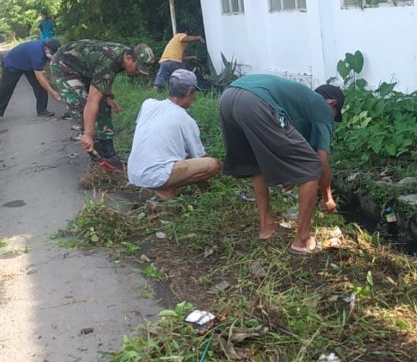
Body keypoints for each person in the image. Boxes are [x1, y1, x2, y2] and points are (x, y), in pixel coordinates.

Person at [218, 74, 344, 254]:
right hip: (256, 101)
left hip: (228, 97)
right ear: (331, 103)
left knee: (256, 161)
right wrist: (327, 198)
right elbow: (320, 162)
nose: (331, 120)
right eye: (335, 115)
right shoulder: (322, 108)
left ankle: (266, 227)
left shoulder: (297, 102)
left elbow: (284, 148)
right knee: (311, 165)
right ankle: (302, 239)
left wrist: (291, 171)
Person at [49, 39, 155, 168]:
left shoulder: (123, 56)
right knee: (82, 106)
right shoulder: (110, 60)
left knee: (104, 105)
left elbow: (107, 77)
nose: (138, 72)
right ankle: (96, 155)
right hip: (64, 65)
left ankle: (109, 154)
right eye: (138, 68)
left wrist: (108, 96)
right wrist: (88, 133)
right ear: (129, 58)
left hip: (86, 67)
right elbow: (92, 100)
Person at [127, 69, 222, 200]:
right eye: (194, 94)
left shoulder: (148, 104)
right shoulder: (186, 120)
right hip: (155, 177)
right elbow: (200, 156)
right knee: (213, 165)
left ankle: (159, 186)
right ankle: (166, 189)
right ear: (189, 92)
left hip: (133, 174)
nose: (194, 98)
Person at [0, 39, 63, 125]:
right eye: (51, 53)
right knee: (5, 88)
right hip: (12, 64)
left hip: (28, 64)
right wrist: (52, 92)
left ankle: (42, 110)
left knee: (40, 85)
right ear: (45, 48)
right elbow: (41, 78)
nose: (52, 55)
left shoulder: (48, 46)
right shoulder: (37, 54)